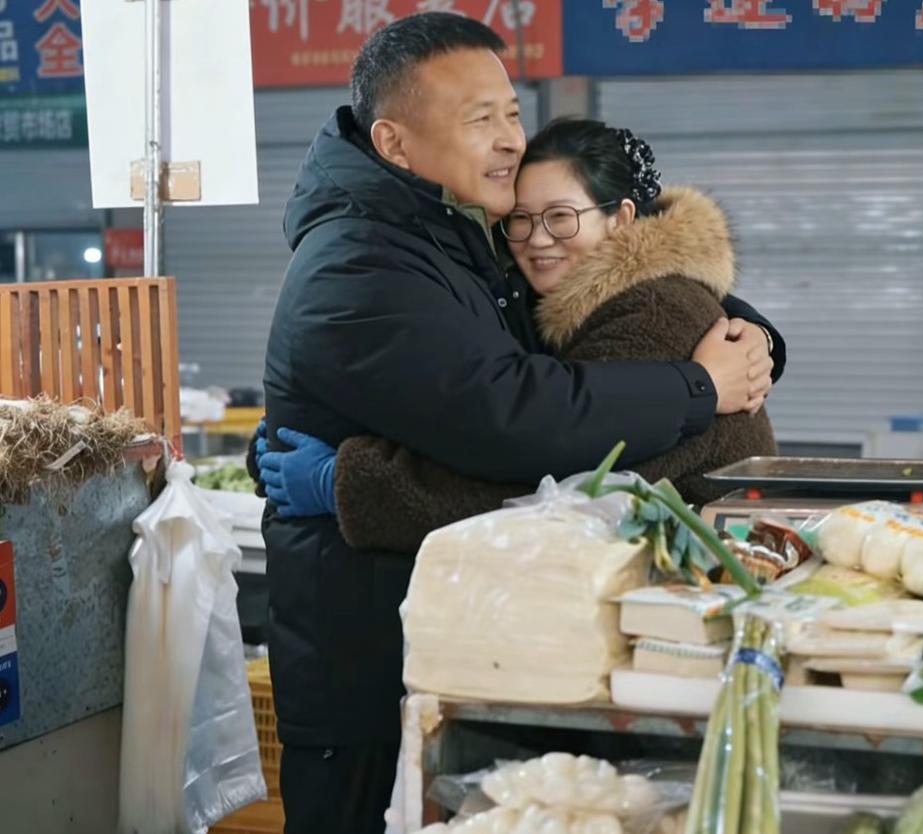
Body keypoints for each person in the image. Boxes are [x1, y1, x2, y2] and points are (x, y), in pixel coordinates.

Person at [256, 13, 786, 834]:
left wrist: (754, 337)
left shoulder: (454, 227)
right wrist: (697, 384)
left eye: (511, 112)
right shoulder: (364, 262)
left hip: (468, 638)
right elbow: (518, 418)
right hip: (371, 664)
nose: (510, 139)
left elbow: (636, 295)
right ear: (395, 142)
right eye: (481, 119)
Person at [259, 118, 779, 554]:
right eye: (521, 220)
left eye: (561, 217)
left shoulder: (654, 312)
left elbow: (554, 489)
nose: (537, 240)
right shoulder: (556, 301)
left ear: (621, 218)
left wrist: (347, 485)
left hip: (694, 583)